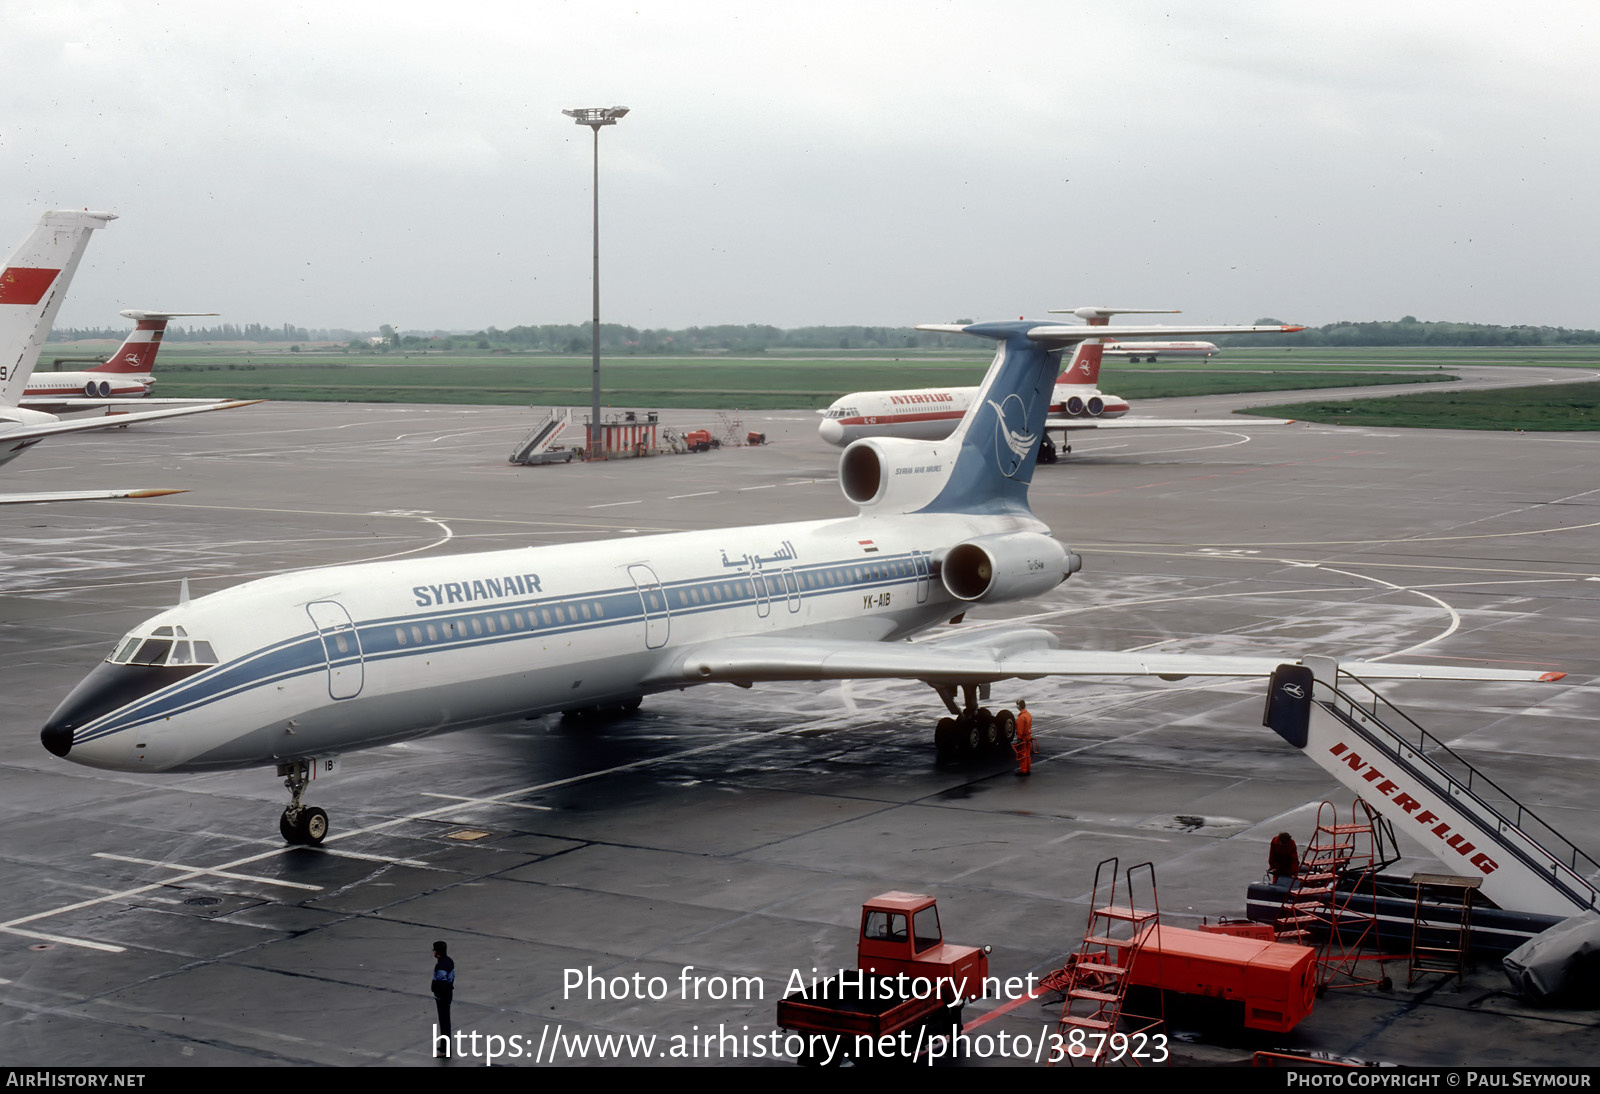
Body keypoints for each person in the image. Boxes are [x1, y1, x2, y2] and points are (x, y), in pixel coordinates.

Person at [432, 940, 455, 1057]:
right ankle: (445, 1045)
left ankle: (445, 1049)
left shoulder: (441, 965)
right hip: (448, 994)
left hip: (442, 996)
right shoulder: (449, 961)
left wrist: (437, 992)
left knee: (444, 1021)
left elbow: (442, 982)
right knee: (445, 1021)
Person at [1013, 699, 1037, 775]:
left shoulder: (1021, 717)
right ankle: (1028, 769)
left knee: (1023, 755)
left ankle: (1023, 771)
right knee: (1028, 754)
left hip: (1023, 738)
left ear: (1018, 706)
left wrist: (1019, 739)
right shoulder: (1028, 715)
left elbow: (1020, 730)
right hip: (1028, 737)